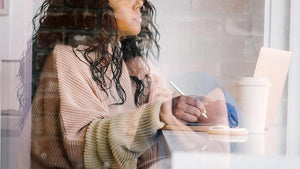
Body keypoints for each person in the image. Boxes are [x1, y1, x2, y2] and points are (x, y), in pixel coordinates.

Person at [17, 0, 230, 168]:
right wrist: (159, 114)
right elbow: (82, 146)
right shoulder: (66, 59)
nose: (140, 3)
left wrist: (188, 108)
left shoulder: (126, 59)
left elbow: (159, 97)